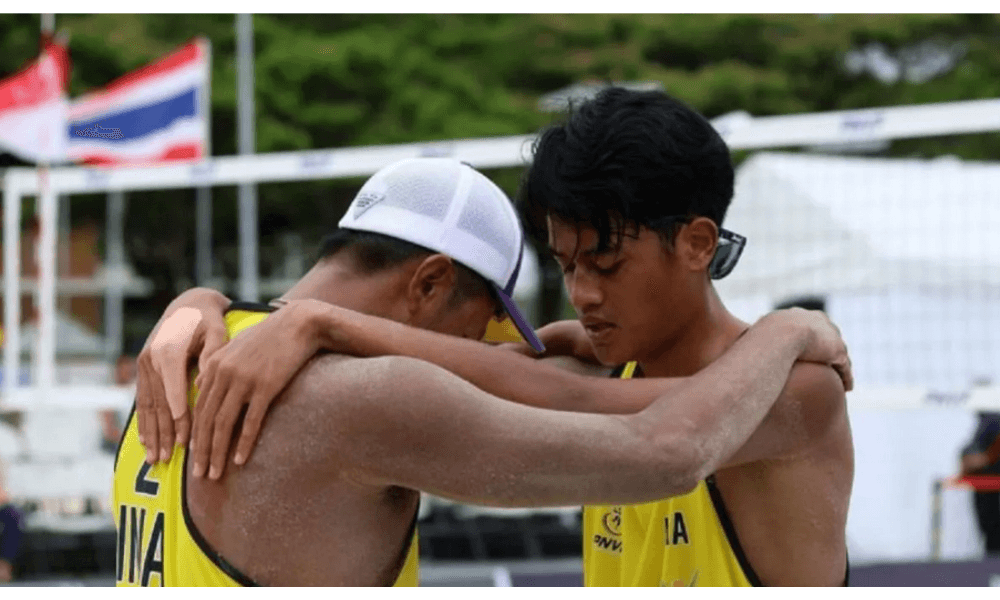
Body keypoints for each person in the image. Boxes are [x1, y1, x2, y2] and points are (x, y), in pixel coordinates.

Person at [142, 89, 854, 587]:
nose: (584, 292)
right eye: (567, 264)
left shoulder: (797, 389)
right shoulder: (597, 367)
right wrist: (201, 302)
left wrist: (310, 320)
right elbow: (507, 374)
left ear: (698, 244)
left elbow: (674, 444)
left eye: (606, 264)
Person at [960, 411, 1000, 556]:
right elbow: (969, 459)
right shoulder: (988, 422)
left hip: (990, 490)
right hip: (986, 491)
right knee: (992, 539)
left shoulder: (992, 421)